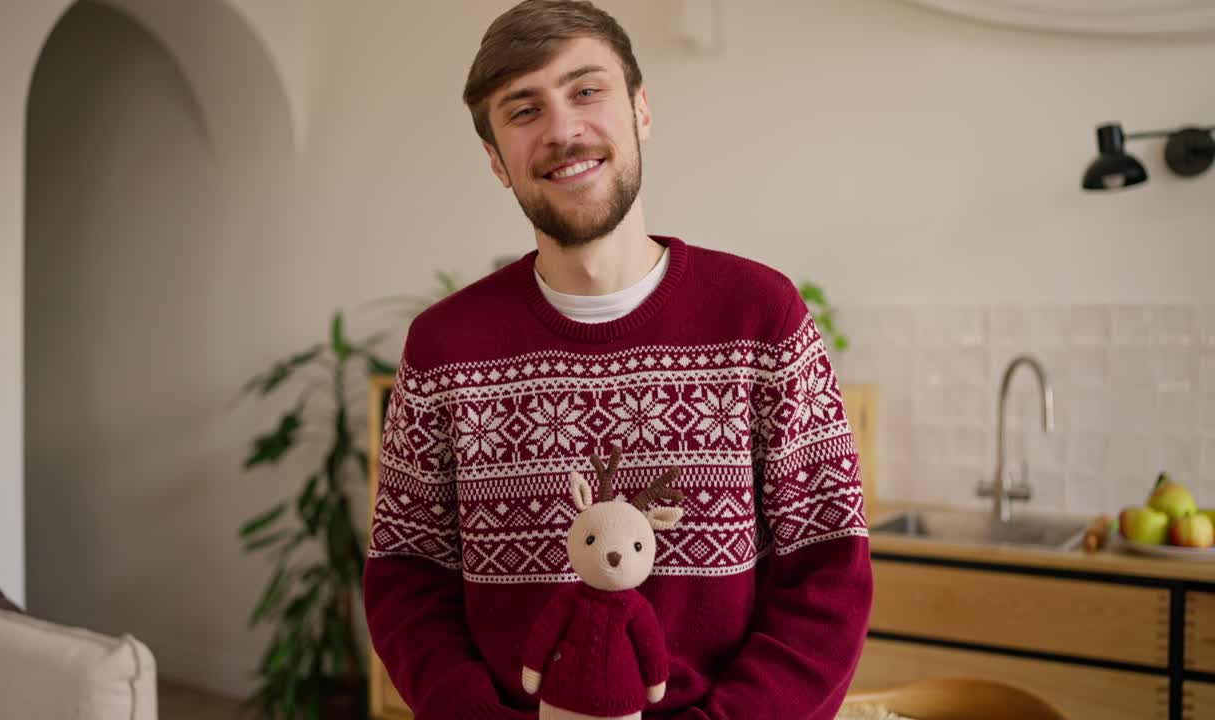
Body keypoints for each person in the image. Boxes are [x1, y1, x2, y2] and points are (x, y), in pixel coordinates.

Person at [362, 2, 873, 718]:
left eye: (586, 90)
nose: (563, 129)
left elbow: (827, 576)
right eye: (523, 109)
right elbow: (407, 580)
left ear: (640, 111)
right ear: (495, 160)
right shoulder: (444, 348)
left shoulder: (763, 318)